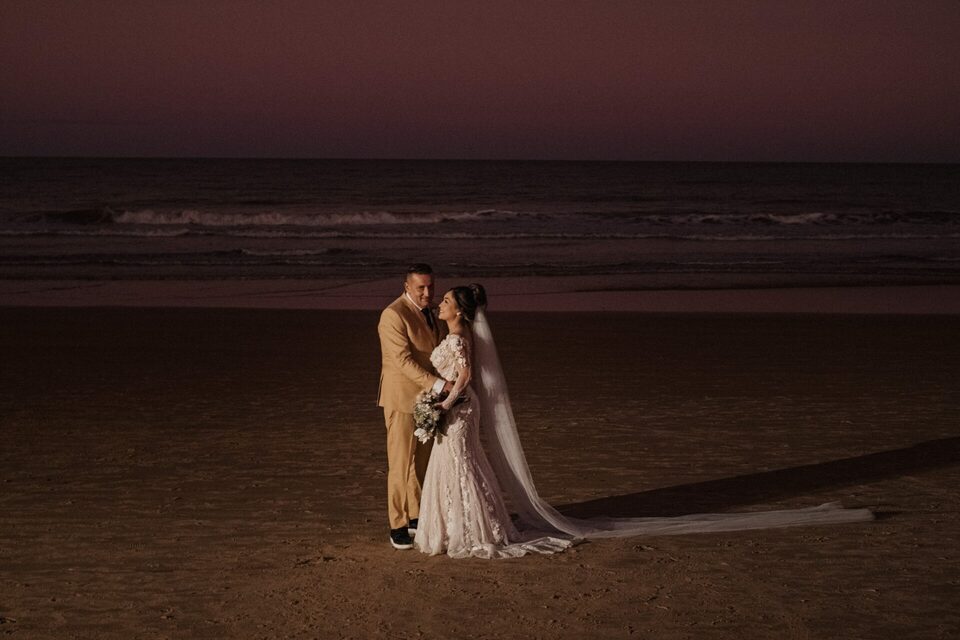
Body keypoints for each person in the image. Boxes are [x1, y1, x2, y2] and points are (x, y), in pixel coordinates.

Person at [414, 283, 874, 559]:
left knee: (462, 464)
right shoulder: (455, 334)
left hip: (459, 408)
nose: (443, 303)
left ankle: (473, 531)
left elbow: (464, 377)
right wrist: (442, 401)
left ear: (461, 310)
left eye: (448, 300)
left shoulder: (457, 338)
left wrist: (445, 404)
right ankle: (469, 527)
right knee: (463, 464)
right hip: (458, 407)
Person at [377, 264, 450, 549]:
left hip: (427, 399)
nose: (427, 293)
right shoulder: (393, 315)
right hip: (401, 398)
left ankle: (416, 516)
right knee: (400, 463)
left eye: (431, 287)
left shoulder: (432, 312)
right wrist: (438, 385)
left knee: (421, 462)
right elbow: (402, 361)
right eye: (421, 287)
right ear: (407, 286)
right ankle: (397, 524)